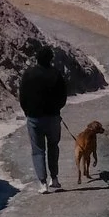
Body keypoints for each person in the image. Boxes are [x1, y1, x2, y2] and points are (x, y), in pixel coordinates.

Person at [15, 49, 70, 192]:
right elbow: (63, 96)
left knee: (38, 150)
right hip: (53, 117)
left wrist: (28, 111)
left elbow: (22, 96)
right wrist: (57, 109)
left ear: (37, 58)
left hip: (34, 118)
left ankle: (42, 183)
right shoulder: (56, 74)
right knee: (53, 147)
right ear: (51, 59)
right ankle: (55, 179)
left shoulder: (28, 74)